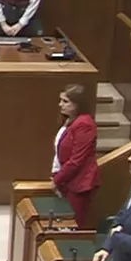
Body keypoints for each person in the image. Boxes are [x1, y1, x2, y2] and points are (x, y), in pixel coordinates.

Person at [53, 84, 100, 227]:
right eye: (61, 100)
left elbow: (76, 160)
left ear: (78, 104)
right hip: (68, 181)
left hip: (79, 184)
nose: (60, 104)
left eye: (65, 101)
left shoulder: (84, 124)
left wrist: (57, 179)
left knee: (73, 225)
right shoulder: (69, 120)